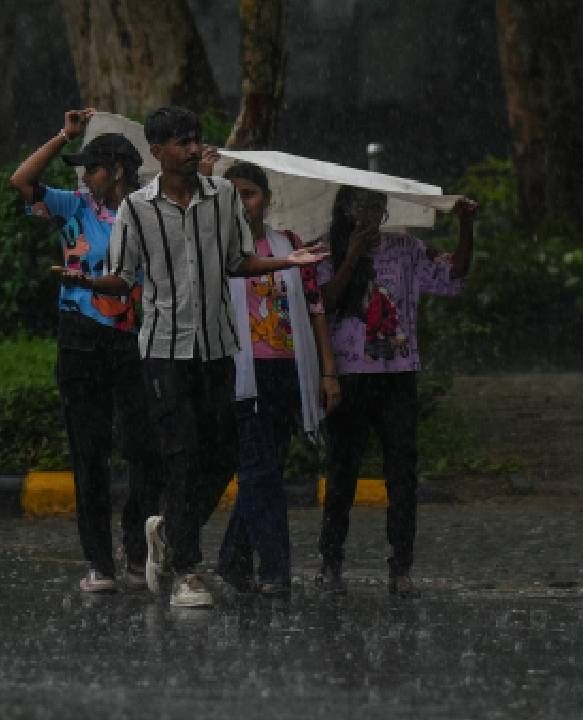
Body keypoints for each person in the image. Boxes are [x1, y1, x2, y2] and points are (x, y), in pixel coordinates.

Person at [68, 106, 328, 608]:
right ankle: (188, 571)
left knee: (224, 453)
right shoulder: (137, 210)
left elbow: (237, 261)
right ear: (158, 151)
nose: (193, 150)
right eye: (182, 143)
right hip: (165, 351)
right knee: (182, 452)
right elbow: (123, 278)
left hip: (217, 347)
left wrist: (285, 261)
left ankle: (168, 527)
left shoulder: (223, 196)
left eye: (196, 141)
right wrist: (87, 282)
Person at [9, 108, 161, 594]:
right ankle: (99, 562)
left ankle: (136, 550)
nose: (85, 176)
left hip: (134, 341)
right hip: (79, 338)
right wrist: (63, 135)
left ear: (116, 169)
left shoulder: (148, 212)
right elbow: (22, 181)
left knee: (144, 450)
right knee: (89, 452)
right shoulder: (74, 207)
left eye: (92, 167)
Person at [314, 187, 477, 596]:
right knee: (341, 473)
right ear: (346, 211)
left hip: (397, 374)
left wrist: (465, 226)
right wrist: (351, 255)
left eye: (376, 206)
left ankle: (401, 566)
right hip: (350, 376)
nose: (369, 215)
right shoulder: (325, 250)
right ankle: (331, 561)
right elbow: (324, 301)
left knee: (402, 473)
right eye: (360, 207)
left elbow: (453, 275)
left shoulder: (405, 249)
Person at [213, 162, 342, 597]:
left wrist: (328, 370)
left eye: (249, 193)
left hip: (288, 370)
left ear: (266, 198)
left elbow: (315, 307)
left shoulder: (288, 244)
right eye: (233, 193)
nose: (242, 202)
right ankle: (275, 569)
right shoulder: (216, 245)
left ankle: (233, 557)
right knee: (260, 469)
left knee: (266, 469)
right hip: (241, 373)